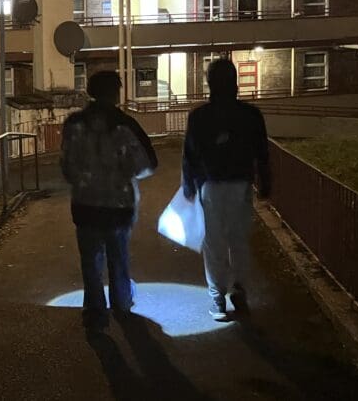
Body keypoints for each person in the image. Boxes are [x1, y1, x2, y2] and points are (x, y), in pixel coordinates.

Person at [61, 71, 158, 332]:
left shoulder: (73, 124)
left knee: (91, 261)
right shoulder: (125, 124)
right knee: (118, 256)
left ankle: (95, 312)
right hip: (118, 206)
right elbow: (148, 164)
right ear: (115, 92)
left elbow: (66, 166)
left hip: (85, 205)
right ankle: (121, 304)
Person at [182, 58, 271, 321]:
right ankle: (239, 289)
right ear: (235, 83)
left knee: (214, 244)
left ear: (209, 83)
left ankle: (217, 297)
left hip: (210, 187)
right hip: (241, 185)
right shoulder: (251, 115)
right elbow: (262, 153)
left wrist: (188, 184)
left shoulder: (199, 116)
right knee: (239, 241)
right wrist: (266, 182)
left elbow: (190, 155)